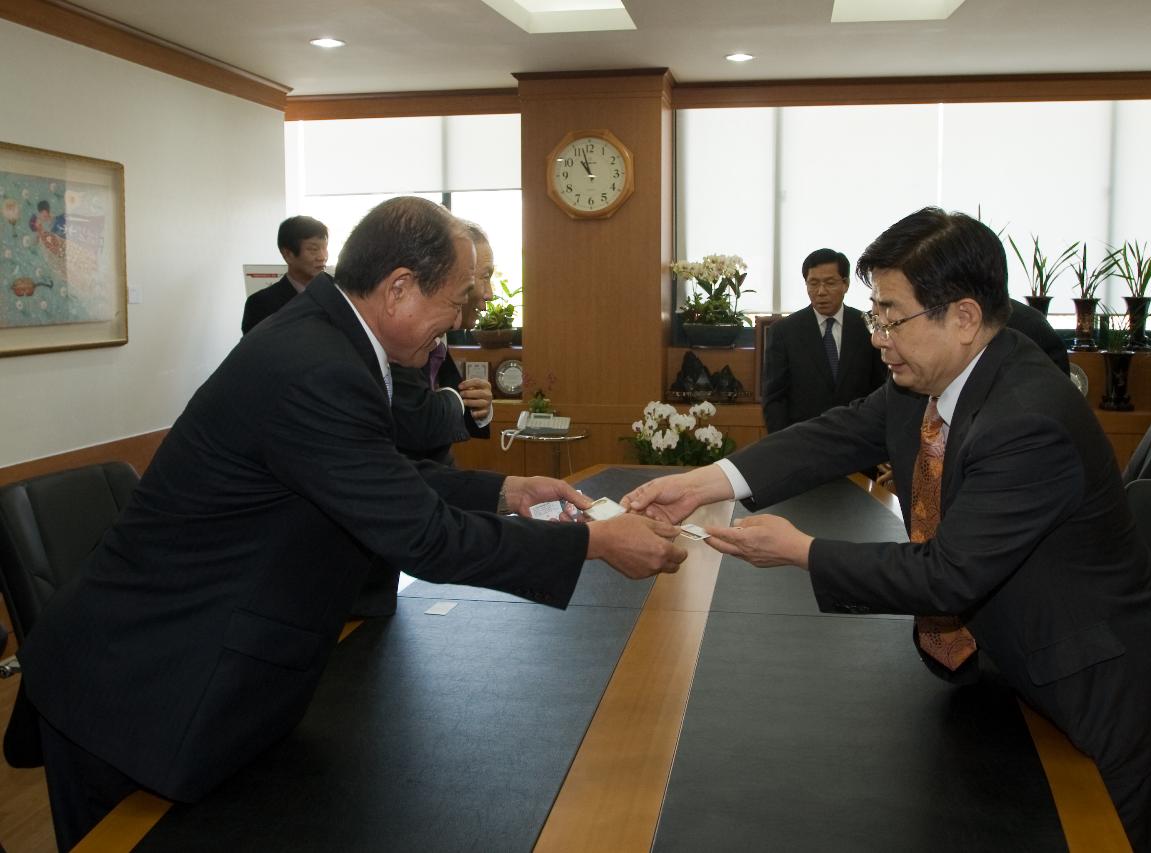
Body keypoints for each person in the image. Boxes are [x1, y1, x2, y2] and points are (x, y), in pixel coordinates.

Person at [17, 196, 686, 852]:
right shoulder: (317, 367)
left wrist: (505, 488)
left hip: (189, 672)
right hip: (142, 686)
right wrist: (593, 541)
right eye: (456, 302)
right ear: (398, 288)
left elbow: (376, 481)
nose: (455, 325)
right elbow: (420, 535)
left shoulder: (333, 344)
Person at [622, 207, 1151, 853]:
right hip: (1020, 667)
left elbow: (948, 574)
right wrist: (707, 481)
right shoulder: (927, 379)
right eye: (875, 316)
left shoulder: (1027, 419)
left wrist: (802, 552)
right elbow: (834, 433)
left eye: (891, 317)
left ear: (963, 316)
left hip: (1106, 683)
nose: (878, 337)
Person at [391, 220, 496, 466]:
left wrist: (479, 408)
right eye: (485, 277)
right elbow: (416, 421)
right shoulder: (402, 339)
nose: (489, 293)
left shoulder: (440, 338)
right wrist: (455, 400)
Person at [762, 248, 885, 433]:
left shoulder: (867, 326)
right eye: (813, 283)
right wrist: (784, 445)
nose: (821, 292)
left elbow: (880, 387)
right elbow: (775, 398)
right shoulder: (784, 331)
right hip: (803, 439)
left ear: (845, 284)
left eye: (829, 283)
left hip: (859, 439)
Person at [241, 215, 329, 334]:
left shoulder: (336, 295)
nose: (323, 257)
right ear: (288, 254)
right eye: (314, 249)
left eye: (325, 248)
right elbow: (256, 350)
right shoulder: (260, 304)